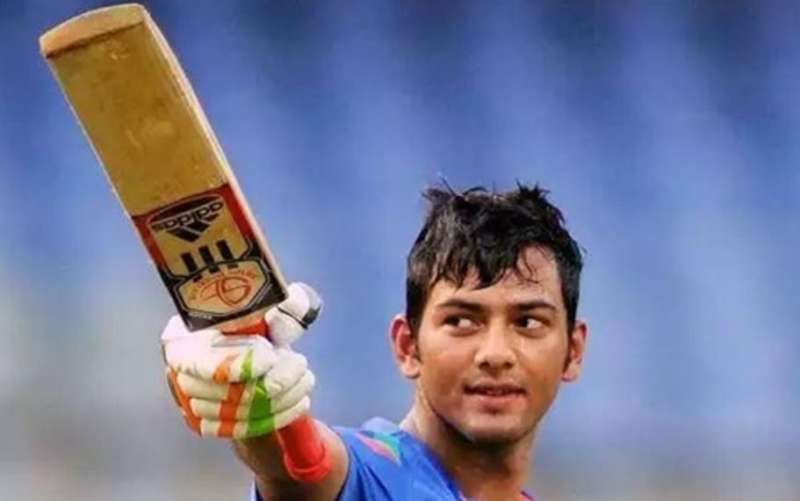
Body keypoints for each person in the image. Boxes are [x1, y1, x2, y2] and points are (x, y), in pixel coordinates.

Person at [161, 184, 588, 500]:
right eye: (461, 321)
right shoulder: (367, 476)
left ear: (573, 351)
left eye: (528, 322)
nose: (495, 354)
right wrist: (259, 402)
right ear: (407, 346)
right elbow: (298, 468)